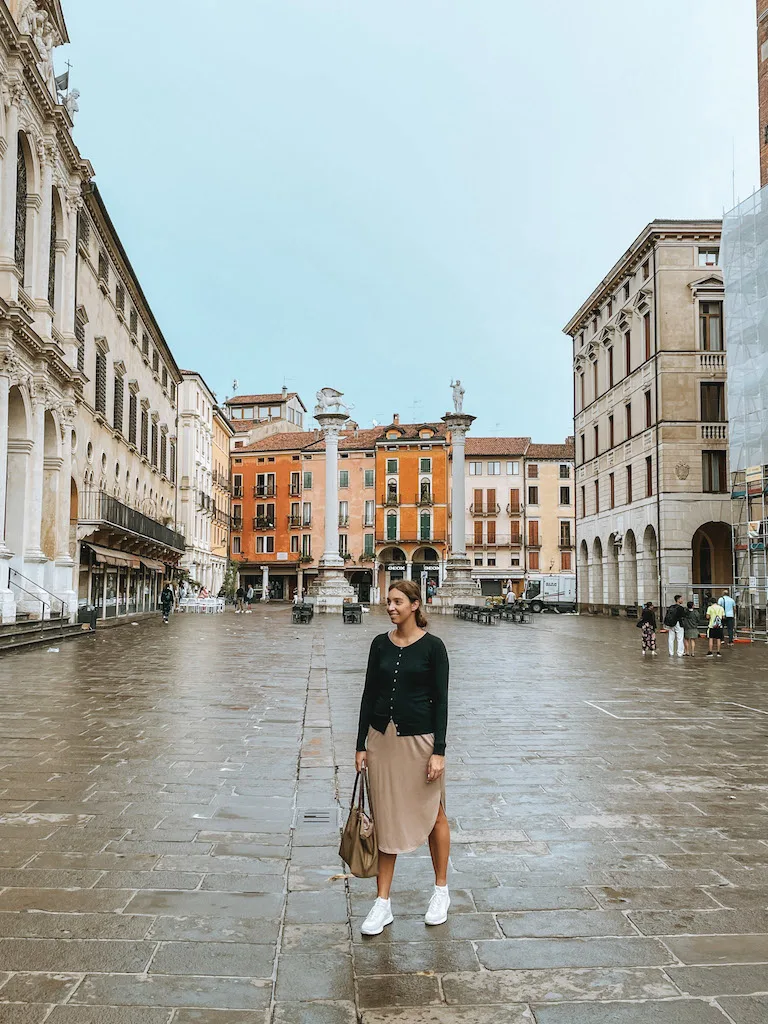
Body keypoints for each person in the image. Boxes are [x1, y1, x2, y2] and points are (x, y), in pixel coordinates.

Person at [355, 580, 449, 936]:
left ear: (414, 605)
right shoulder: (379, 644)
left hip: (421, 742)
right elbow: (368, 695)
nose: (389, 606)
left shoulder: (434, 648)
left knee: (435, 814)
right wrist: (360, 744)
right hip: (383, 741)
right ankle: (383, 903)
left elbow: (441, 702)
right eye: (388, 600)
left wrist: (439, 751)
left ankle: (441, 891)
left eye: (396, 601)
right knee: (386, 817)